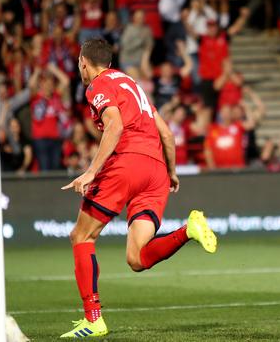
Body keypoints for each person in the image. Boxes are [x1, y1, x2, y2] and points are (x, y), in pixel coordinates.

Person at [59, 38, 217, 338]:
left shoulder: (98, 85)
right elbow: (167, 135)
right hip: (156, 170)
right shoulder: (131, 83)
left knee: (81, 236)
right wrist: (170, 172)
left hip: (126, 163)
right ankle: (189, 230)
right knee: (137, 258)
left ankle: (93, 319)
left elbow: (115, 126)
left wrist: (91, 171)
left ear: (83, 62)